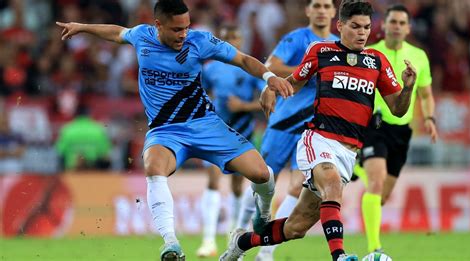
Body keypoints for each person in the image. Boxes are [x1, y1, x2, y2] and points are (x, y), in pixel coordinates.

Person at [56, 0, 293, 260]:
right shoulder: (142, 36)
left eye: (186, 28)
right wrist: (82, 27)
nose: (183, 34)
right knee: (153, 166)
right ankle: (171, 244)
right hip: (166, 130)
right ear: (158, 25)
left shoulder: (199, 41)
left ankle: (263, 212)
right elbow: (117, 32)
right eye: (177, 29)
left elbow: (244, 60)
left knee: (262, 174)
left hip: (206, 124)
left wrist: (271, 78)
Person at [219, 1, 417, 261]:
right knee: (331, 184)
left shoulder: (376, 61)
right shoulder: (321, 51)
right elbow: (294, 82)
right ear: (341, 25)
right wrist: (271, 88)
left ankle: (242, 242)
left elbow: (398, 109)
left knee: (296, 227)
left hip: (349, 152)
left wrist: (408, 88)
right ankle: (340, 256)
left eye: (367, 28)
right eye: (355, 26)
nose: (362, 33)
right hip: (319, 139)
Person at [234, 0, 339, 259]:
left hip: (312, 130)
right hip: (284, 122)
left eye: (327, 6)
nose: (322, 10)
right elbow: (270, 67)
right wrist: (308, 69)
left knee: (297, 187)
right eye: (317, 5)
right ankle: (236, 234)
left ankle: (266, 252)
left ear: (334, 12)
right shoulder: (297, 39)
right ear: (308, 10)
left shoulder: (339, 44)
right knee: (262, 180)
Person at [354, 4, 438, 255]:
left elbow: (426, 94)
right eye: (393, 22)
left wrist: (430, 118)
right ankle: (375, 249)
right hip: (375, 123)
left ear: (408, 28)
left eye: (402, 23)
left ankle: (358, 166)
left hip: (402, 129)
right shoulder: (369, 54)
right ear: (385, 25)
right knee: (376, 183)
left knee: (381, 195)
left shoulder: (419, 56)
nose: (397, 27)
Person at [197, 25, 265, 258]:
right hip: (217, 131)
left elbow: (266, 100)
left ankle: (232, 235)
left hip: (242, 132)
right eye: (226, 38)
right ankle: (207, 240)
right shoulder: (210, 69)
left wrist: (244, 106)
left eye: (235, 36)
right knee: (213, 179)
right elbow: (199, 93)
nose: (231, 41)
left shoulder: (249, 68)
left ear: (241, 39)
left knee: (237, 186)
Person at [55, 104, 112, 171]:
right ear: (89, 114)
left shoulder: (67, 129)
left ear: (75, 115)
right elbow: (105, 152)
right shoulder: (98, 129)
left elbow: (60, 150)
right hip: (93, 171)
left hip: (72, 172)